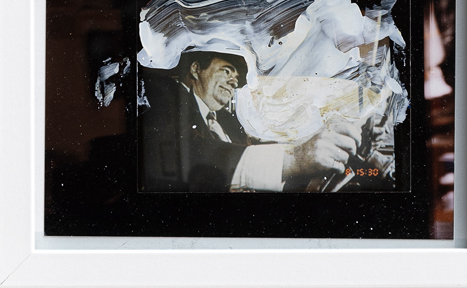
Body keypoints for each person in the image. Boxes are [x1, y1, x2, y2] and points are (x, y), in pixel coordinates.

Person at [138, 48, 362, 193]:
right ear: (196, 69)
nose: (234, 82)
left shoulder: (229, 124)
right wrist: (294, 159)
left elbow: (251, 171)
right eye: (227, 71)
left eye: (237, 78)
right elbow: (179, 155)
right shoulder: (163, 94)